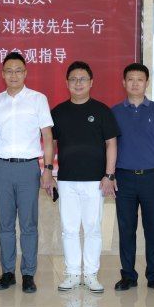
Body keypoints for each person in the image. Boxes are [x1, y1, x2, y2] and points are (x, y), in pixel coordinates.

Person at [52, 61, 119, 293]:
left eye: (82, 79)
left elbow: (111, 144)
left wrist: (109, 175)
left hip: (95, 181)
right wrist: (50, 172)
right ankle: (72, 273)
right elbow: (51, 144)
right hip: (66, 180)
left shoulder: (102, 111)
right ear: (66, 83)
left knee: (92, 228)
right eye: (73, 79)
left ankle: (90, 274)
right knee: (69, 229)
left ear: (91, 82)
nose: (78, 83)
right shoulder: (58, 112)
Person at [0, 52, 54, 293]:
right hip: (2, 167)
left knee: (28, 224)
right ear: (2, 74)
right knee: (5, 224)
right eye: (9, 71)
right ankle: (8, 272)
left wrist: (47, 169)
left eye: (18, 70)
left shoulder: (38, 99)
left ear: (25, 73)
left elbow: (47, 137)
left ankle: (28, 273)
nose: (13, 75)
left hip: (29, 168)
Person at [111, 63, 154, 293]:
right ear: (123, 83)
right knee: (126, 229)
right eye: (131, 79)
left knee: (153, 229)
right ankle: (128, 275)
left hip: (152, 177)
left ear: (147, 82)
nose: (135, 83)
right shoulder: (115, 112)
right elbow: (109, 146)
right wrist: (110, 175)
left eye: (140, 79)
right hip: (124, 178)